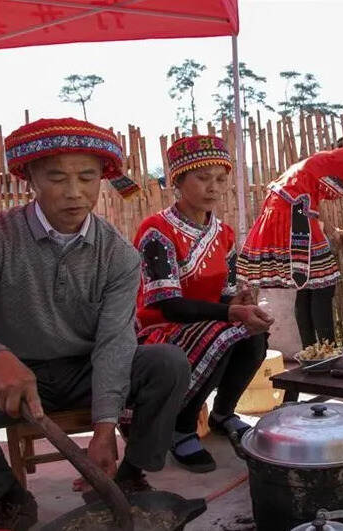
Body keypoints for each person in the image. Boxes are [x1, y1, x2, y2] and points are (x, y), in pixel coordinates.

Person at [0, 118, 189, 530]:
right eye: (57, 178)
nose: (74, 193)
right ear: (30, 178)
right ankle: (9, 496)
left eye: (87, 177)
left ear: (102, 179)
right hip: (12, 378)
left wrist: (105, 428)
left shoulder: (119, 255)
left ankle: (127, 475)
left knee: (167, 363)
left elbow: (114, 343)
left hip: (83, 372)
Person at [131, 135, 272, 473]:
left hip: (208, 322)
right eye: (203, 177)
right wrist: (229, 312)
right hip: (160, 331)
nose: (214, 187)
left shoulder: (222, 233)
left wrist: (238, 302)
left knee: (253, 333)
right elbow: (168, 306)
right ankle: (182, 426)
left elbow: (224, 294)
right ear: (178, 181)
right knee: (223, 335)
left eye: (220, 179)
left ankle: (223, 413)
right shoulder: (156, 231)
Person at [237, 120, 343, 348]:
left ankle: (313, 353)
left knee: (308, 283)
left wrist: (331, 229)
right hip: (292, 212)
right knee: (322, 283)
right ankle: (327, 351)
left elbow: (309, 194)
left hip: (289, 207)